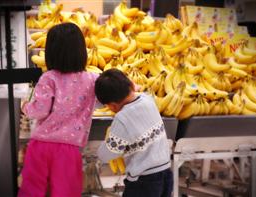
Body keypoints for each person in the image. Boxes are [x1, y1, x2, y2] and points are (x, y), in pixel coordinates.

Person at [18, 23, 98, 197]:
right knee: (66, 192)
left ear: (51, 52)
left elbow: (39, 110)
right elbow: (111, 91)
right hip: (70, 149)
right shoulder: (92, 79)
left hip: (42, 146)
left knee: (33, 191)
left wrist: (24, 106)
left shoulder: (49, 78)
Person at [95, 69, 173, 197]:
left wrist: (105, 141)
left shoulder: (123, 118)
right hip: (165, 172)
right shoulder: (148, 99)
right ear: (131, 85)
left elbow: (106, 154)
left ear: (112, 106)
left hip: (144, 181)